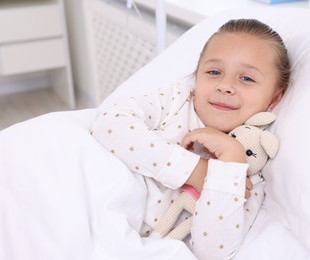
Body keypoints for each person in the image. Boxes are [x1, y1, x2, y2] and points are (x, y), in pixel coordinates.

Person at [90, 18, 291, 259]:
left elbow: (214, 252)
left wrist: (230, 160)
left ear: (274, 98)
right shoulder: (176, 101)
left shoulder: (249, 174)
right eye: (214, 72)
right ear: (197, 76)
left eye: (246, 78)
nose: (225, 85)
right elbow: (109, 124)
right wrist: (195, 171)